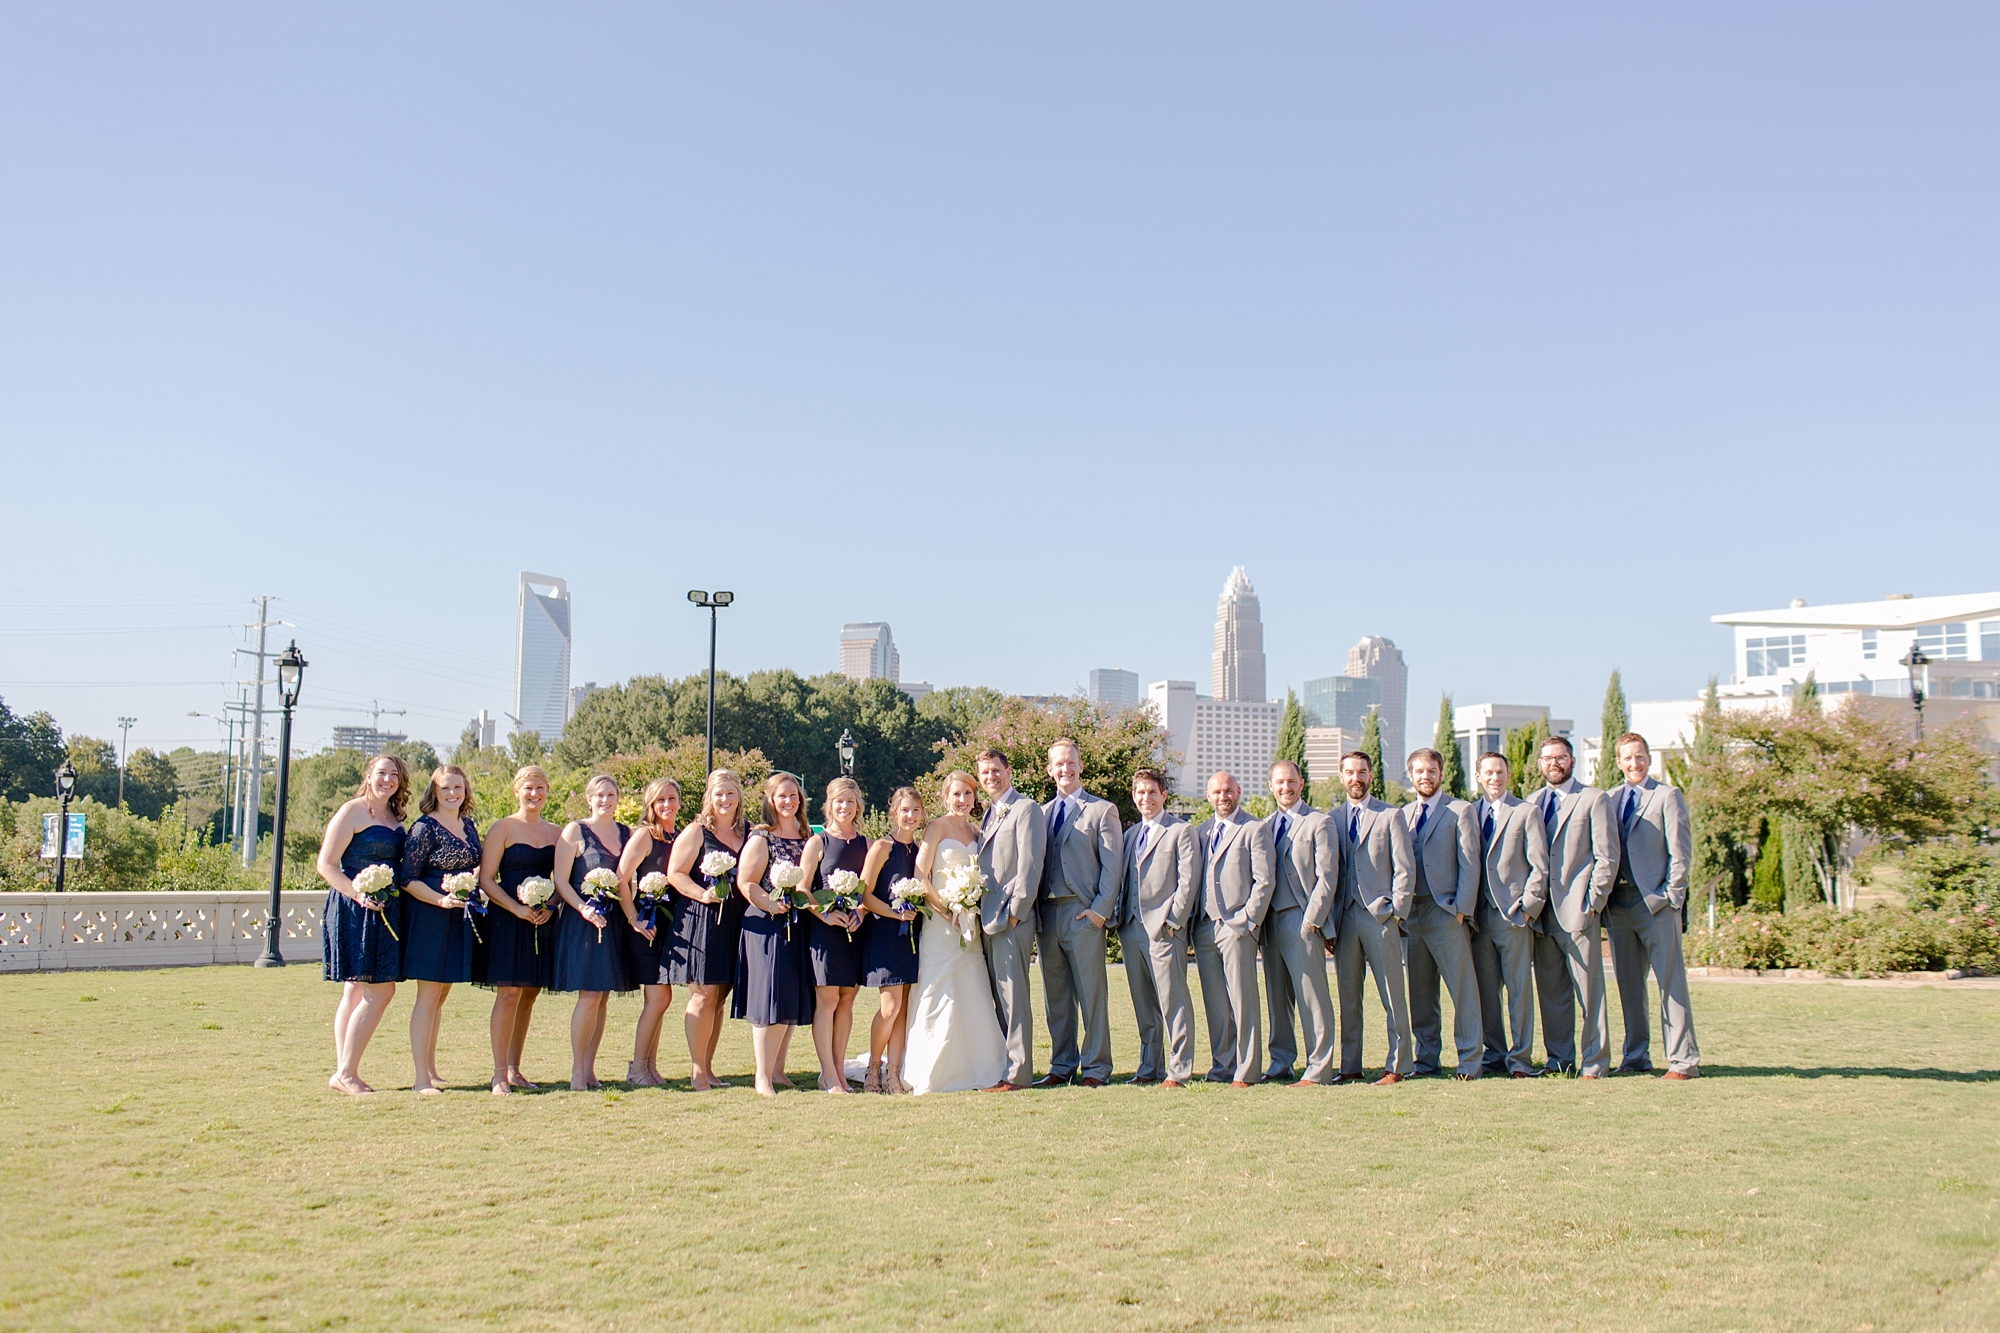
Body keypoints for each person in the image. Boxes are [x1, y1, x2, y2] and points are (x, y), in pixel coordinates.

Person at [903, 770, 1009, 1093]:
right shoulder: (936, 827)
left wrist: (968, 908)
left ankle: (981, 1066)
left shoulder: (979, 832)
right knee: (938, 990)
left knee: (973, 989)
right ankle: (931, 1069)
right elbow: (920, 876)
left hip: (970, 924)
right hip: (940, 924)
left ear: (974, 798)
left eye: (967, 794)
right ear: (946, 797)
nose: (962, 800)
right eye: (956, 794)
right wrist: (946, 910)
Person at [1604, 733, 1701, 1079]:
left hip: (1655, 904)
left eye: (1640, 756)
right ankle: (1635, 1057)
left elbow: (1681, 852)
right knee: (1629, 986)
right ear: (1618, 762)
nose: (1634, 763)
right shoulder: (1610, 799)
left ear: (1649, 758)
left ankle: (1684, 1061)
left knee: (1670, 984)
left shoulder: (1668, 796)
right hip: (1618, 906)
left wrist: (1672, 897)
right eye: (1627, 758)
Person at [316, 753, 410, 1095]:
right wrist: (357, 894)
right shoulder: (352, 810)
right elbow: (326, 864)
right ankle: (346, 1072)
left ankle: (343, 1071)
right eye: (382, 773)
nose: (388, 779)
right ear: (368, 775)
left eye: (394, 775)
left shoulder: (395, 817)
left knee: (355, 989)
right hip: (355, 908)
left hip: (385, 911)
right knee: (380, 990)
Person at [1034, 739, 1122, 1088]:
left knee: (1092, 995)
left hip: (1083, 913)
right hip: (1047, 915)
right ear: (1050, 769)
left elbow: (1112, 867)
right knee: (1056, 998)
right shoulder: (1039, 814)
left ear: (1081, 766)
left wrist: (1100, 912)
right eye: (1058, 764)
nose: (1065, 769)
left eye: (1071, 762)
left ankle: (1097, 1069)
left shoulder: (1102, 810)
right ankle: (1061, 1066)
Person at [1528, 736, 1617, 1079]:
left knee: (1589, 994)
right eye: (1547, 758)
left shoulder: (1594, 800)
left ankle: (1595, 1062)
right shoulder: (1532, 803)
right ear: (1539, 764)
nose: (1554, 763)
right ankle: (1558, 1060)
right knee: (1552, 994)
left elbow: (1606, 857)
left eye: (1560, 757)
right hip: (1542, 914)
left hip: (1578, 911)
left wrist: (1593, 902)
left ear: (1572, 760)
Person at [1331, 751, 1416, 1085]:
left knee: (1392, 995)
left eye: (1362, 772)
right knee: (1349, 997)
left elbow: (1405, 869)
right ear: (1341, 777)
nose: (1356, 778)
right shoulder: (1332, 818)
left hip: (1380, 917)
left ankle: (1398, 1065)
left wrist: (1396, 913)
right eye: (1350, 772)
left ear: (1371, 775)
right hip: (1344, 919)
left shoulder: (1391, 816)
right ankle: (1350, 1066)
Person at [475, 764, 560, 1095]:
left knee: (529, 994)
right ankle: (498, 1074)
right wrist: (516, 909)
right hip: (508, 918)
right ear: (516, 791)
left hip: (540, 922)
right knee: (509, 993)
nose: (534, 794)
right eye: (528, 788)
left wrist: (550, 907)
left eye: (540, 788)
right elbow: (486, 878)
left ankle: (515, 1068)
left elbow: (563, 879)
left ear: (548, 790)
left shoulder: (557, 832)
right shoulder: (503, 828)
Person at [398, 763, 482, 1095]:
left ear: (465, 792)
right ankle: (420, 1079)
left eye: (457, 788)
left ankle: (431, 1070)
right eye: (445, 788)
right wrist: (440, 901)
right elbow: (408, 879)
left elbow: (474, 863)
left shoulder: (469, 825)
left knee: (442, 995)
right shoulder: (424, 828)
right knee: (428, 995)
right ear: (434, 791)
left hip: (459, 915)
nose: (451, 794)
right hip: (431, 917)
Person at [1402, 748, 1484, 1079]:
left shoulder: (1460, 811)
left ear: (1441, 773)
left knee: (1462, 992)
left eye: (1431, 771)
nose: (1426, 776)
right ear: (1410, 776)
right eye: (1419, 771)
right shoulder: (1403, 814)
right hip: (1412, 916)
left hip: (1446, 913)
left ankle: (1470, 1062)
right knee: (1421, 996)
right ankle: (1426, 1061)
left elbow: (1470, 862)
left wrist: (1462, 911)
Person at [666, 768, 750, 1091]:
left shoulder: (749, 832)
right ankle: (697, 1071)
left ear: (739, 796)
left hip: (735, 921)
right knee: (704, 995)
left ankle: (710, 1068)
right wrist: (703, 894)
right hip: (701, 919)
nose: (725, 799)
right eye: (719, 794)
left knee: (719, 998)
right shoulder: (698, 832)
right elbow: (675, 873)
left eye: (730, 793)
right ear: (709, 798)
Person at [1468, 751, 1550, 1078]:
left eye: (1500, 771)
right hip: (1478, 919)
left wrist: (1528, 908)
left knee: (1519, 994)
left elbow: (1539, 866)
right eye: (1488, 772)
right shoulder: (1469, 812)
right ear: (1478, 776)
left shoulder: (1526, 812)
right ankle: (1495, 1056)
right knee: (1487, 996)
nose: (1494, 778)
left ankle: (1520, 1061)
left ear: (1508, 774)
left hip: (1513, 917)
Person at [1117, 767, 1200, 1087]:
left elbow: (1188, 881)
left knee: (1172, 1001)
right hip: (1131, 927)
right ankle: (1148, 1067)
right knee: (1143, 1004)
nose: (1145, 798)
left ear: (1164, 795)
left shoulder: (1181, 831)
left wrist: (1174, 921)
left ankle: (1179, 1070)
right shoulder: (1129, 835)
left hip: (1165, 929)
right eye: (1140, 792)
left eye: (1152, 792)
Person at [1259, 759, 1340, 1086]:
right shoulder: (1263, 825)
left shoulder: (1319, 822)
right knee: (1278, 1000)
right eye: (1279, 782)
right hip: (1270, 925)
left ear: (1301, 783)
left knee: (1312, 999)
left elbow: (1327, 877)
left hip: (1302, 919)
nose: (1286, 787)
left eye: (1291, 781)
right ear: (1271, 786)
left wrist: (1312, 922)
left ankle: (1319, 1068)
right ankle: (1280, 1064)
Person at [552, 775, 635, 1090]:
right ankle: (576, 1071)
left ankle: (589, 1069)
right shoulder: (575, 831)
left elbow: (626, 879)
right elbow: (560, 879)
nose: (605, 800)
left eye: (611, 794)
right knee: (588, 996)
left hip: (612, 921)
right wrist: (583, 908)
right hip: (581, 921)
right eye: (599, 795)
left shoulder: (625, 833)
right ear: (589, 799)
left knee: (602, 997)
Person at [734, 772, 814, 1097]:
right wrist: (770, 904)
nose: (789, 801)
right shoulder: (761, 838)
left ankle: (779, 1070)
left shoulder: (808, 836)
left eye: (793, 795)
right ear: (770, 799)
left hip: (798, 925)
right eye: (782, 796)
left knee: (789, 997)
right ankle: (762, 1076)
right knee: (770, 1000)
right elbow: (746, 882)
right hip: (766, 925)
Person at [1192, 771, 1274, 1087]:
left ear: (1238, 791)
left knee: (1243, 1002)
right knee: (1216, 1004)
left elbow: (1264, 881)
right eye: (1216, 792)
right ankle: (1222, 1067)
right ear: (1208, 796)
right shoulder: (1201, 831)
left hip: (1237, 927)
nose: (1223, 796)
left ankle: (1247, 1070)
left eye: (1228, 790)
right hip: (1204, 929)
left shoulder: (1254, 828)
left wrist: (1246, 922)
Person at [974, 750, 1047, 1091]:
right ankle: (1003, 1067)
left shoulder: (1026, 808)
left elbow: (1029, 866)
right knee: (999, 999)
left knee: (1014, 999)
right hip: (986, 919)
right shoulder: (988, 814)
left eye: (995, 770)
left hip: (1009, 919)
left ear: (1008, 770)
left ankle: (1018, 1075)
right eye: (984, 772)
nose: (990, 777)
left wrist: (1016, 913)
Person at [798, 777, 868, 1094]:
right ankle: (826, 1073)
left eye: (850, 801)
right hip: (824, 931)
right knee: (827, 1001)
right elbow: (801, 888)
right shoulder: (818, 842)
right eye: (839, 801)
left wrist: (861, 913)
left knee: (847, 1000)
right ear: (829, 805)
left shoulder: (866, 844)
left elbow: (869, 888)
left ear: (858, 806)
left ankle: (839, 1071)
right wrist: (824, 914)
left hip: (854, 930)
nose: (844, 807)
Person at [858, 786, 926, 1094]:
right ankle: (874, 1067)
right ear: (894, 813)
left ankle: (893, 1073)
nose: (910, 816)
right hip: (885, 932)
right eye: (905, 810)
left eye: (915, 810)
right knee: (889, 1006)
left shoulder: (922, 850)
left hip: (913, 935)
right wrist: (894, 914)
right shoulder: (883, 847)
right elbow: (864, 894)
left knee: (903, 1008)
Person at [615, 777, 681, 1086]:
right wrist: (633, 919)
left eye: (671, 798)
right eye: (660, 800)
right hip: (646, 926)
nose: (667, 805)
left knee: (660, 1001)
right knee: (658, 998)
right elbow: (620, 878)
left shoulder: (678, 837)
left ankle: (650, 1068)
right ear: (651, 806)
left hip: (670, 927)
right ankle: (637, 1067)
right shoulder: (644, 836)